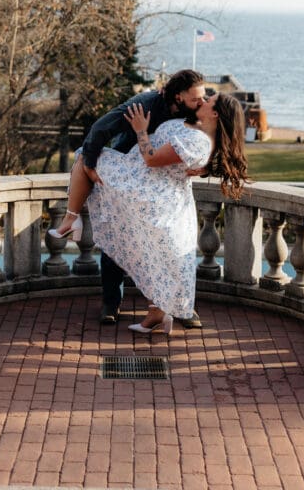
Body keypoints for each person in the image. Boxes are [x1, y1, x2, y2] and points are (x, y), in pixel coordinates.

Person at [51, 92, 248, 333]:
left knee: (84, 155)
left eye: (209, 100)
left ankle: (72, 218)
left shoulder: (200, 141)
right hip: (154, 188)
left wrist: (140, 129)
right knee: (156, 254)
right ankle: (156, 313)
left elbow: (152, 160)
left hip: (145, 185)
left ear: (215, 113)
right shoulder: (197, 128)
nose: (204, 99)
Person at [48, 69, 207, 325]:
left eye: (204, 97)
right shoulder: (144, 105)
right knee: (116, 238)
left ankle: (180, 306)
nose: (203, 102)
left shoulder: (197, 110)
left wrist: (207, 167)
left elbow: (215, 141)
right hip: (127, 176)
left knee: (172, 246)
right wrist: (90, 162)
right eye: (196, 98)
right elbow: (101, 128)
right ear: (177, 97)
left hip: (165, 188)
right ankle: (111, 301)